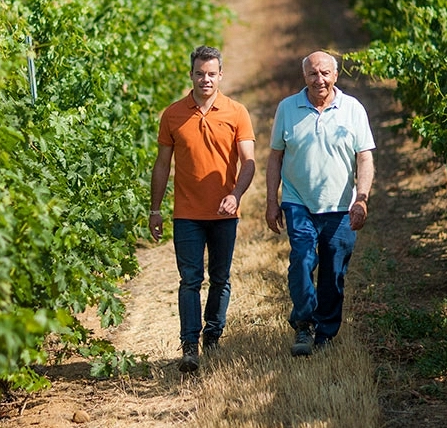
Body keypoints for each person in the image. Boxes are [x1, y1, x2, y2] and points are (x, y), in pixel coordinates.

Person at [149, 45, 256, 373]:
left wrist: (236, 194)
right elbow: (162, 165)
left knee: (220, 278)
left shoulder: (236, 112)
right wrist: (155, 210)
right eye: (200, 73)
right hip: (187, 213)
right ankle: (189, 346)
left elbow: (249, 162)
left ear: (220, 75)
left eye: (211, 74)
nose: (205, 79)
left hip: (225, 212)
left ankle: (213, 334)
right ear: (191, 75)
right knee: (190, 279)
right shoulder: (173, 114)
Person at [265, 51, 375, 356]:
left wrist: (362, 199)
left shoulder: (352, 109)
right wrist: (271, 200)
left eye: (325, 73)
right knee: (301, 260)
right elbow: (275, 156)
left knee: (334, 271)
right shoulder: (288, 108)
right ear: (305, 77)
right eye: (313, 73)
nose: (320, 79)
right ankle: (304, 323)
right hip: (298, 201)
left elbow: (364, 156)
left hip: (340, 205)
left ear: (336, 75)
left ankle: (325, 333)